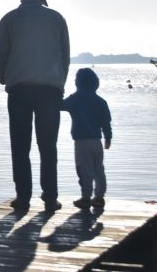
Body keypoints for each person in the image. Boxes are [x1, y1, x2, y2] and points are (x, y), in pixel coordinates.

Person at [0, 0, 70, 212]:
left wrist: (3, 76)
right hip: (50, 89)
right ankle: (50, 197)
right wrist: (60, 83)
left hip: (19, 89)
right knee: (48, 146)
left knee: (20, 146)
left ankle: (23, 198)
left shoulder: (9, 19)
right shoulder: (57, 18)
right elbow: (65, 55)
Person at [61, 68, 112, 209]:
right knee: (98, 170)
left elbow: (60, 105)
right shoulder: (101, 101)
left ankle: (86, 197)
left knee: (84, 170)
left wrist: (57, 92)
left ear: (78, 83)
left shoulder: (75, 99)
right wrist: (108, 139)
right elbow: (106, 123)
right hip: (97, 141)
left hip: (82, 142)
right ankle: (100, 197)